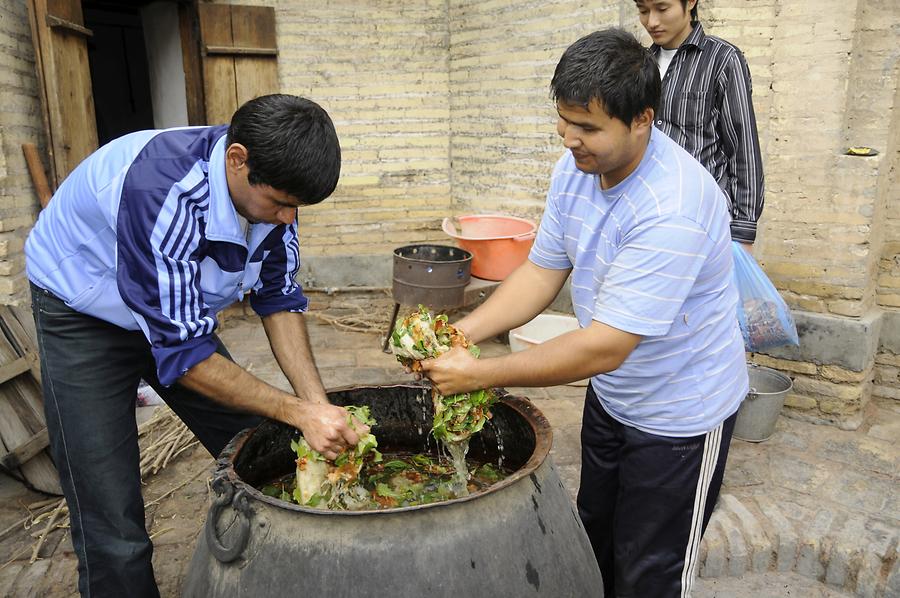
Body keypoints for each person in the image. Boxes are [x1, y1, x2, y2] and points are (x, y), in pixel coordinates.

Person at [419, 29, 748, 597]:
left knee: (651, 570)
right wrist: (461, 333)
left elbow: (605, 346)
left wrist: (480, 373)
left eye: (588, 128)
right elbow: (542, 272)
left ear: (642, 119)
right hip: (614, 396)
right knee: (593, 537)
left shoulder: (674, 207)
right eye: (564, 120)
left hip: (679, 417)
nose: (570, 139)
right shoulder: (575, 170)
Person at [25, 94, 366, 598]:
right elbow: (185, 360)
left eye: (297, 207)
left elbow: (277, 298)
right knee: (110, 519)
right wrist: (295, 410)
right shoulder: (162, 192)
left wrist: (314, 405)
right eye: (281, 204)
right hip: (83, 313)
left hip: (170, 315)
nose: (289, 219)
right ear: (237, 161)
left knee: (261, 444)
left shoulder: (274, 192)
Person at [635, 0, 764, 253]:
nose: (651, 21)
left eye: (662, 9)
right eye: (643, 10)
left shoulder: (723, 60)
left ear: (690, 2)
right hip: (646, 216)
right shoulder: (638, 66)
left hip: (701, 223)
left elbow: (743, 149)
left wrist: (743, 234)